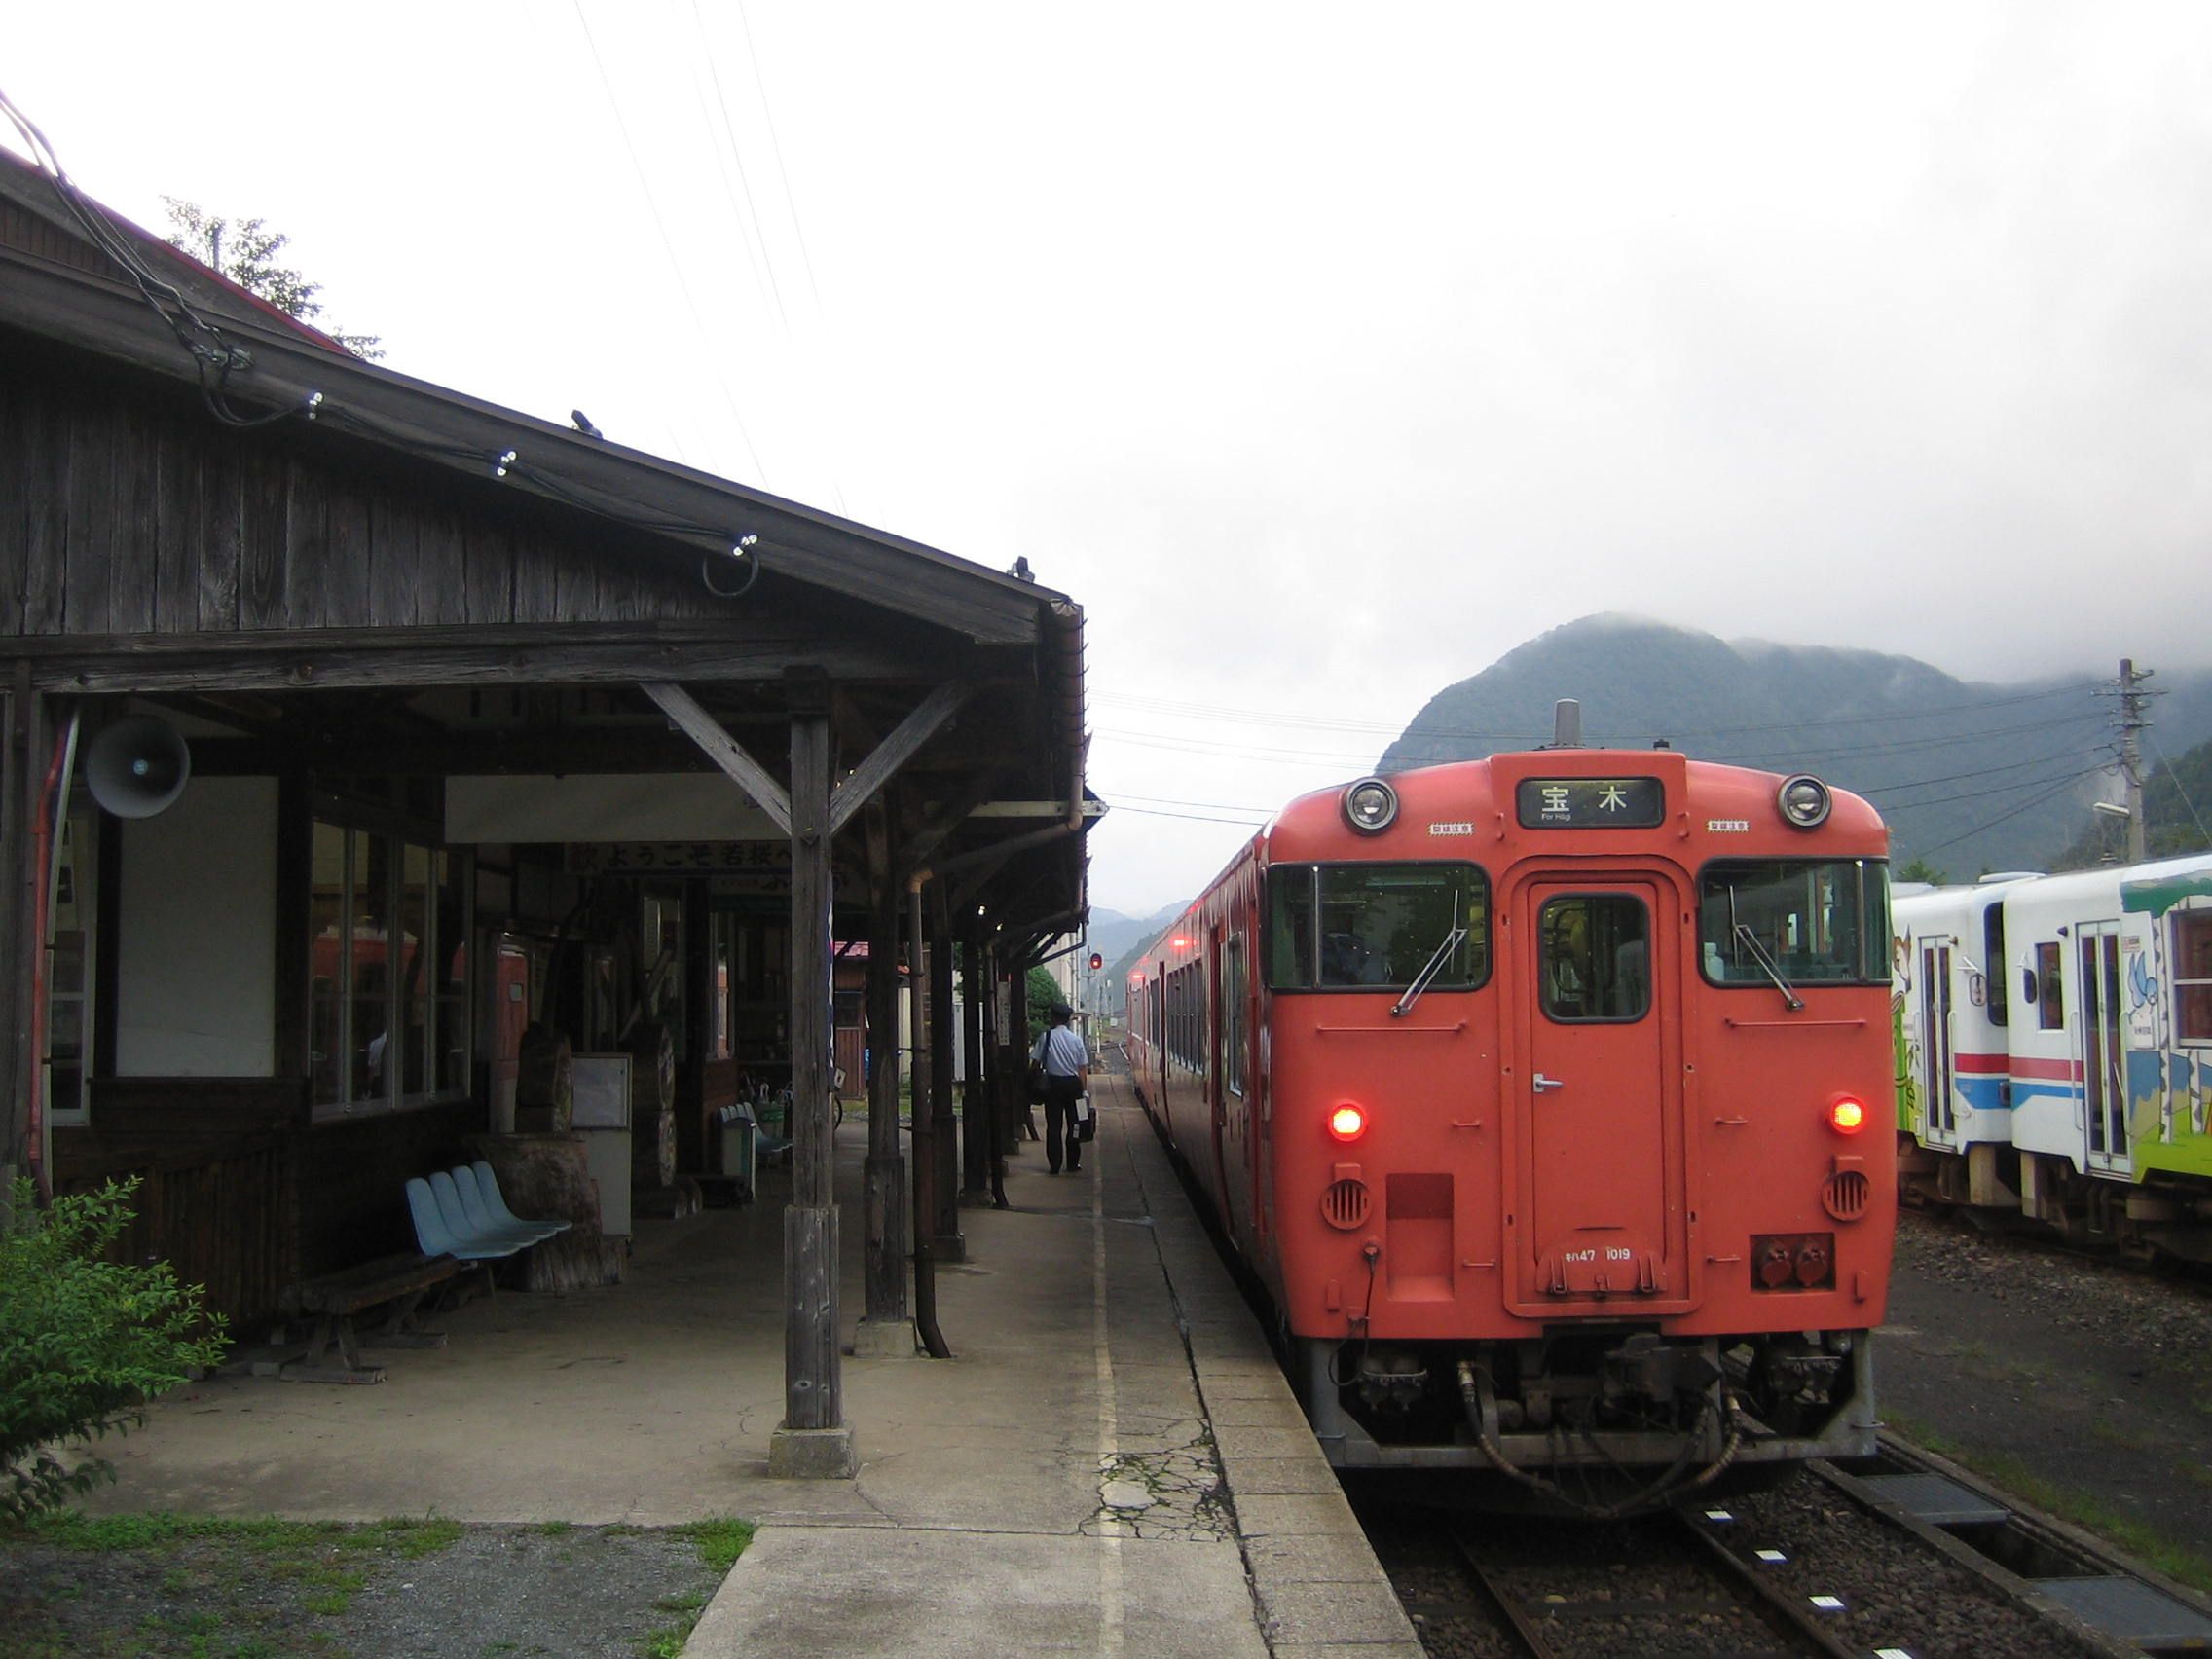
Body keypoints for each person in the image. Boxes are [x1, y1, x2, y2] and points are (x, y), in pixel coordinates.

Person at [1031, 1003, 1090, 1175]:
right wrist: (1084, 1091)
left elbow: (1035, 1063)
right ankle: (1073, 1162)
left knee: (1053, 1126)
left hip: (1053, 1086)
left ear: (1053, 1018)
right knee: (1075, 1124)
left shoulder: (1046, 1037)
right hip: (1074, 1087)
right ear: (1068, 1020)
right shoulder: (1076, 1040)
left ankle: (1055, 1165)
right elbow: (1082, 1069)